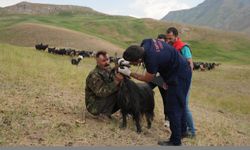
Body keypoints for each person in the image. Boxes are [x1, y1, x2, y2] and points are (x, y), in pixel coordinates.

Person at [118, 39, 192, 146]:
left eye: (134, 63)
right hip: (179, 68)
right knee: (180, 103)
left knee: (173, 107)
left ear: (139, 59)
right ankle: (183, 131)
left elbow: (147, 78)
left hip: (179, 76)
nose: (133, 64)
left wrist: (129, 72)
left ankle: (175, 141)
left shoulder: (151, 59)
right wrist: (127, 61)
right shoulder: (146, 42)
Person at [166, 27, 196, 137]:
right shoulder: (170, 48)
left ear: (177, 37)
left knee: (184, 105)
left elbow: (190, 65)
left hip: (184, 82)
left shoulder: (183, 47)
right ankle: (183, 131)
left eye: (170, 38)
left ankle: (192, 132)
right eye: (167, 38)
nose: (168, 40)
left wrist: (184, 81)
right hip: (175, 81)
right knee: (179, 105)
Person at [85, 51, 123, 119]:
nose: (107, 62)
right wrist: (116, 81)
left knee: (124, 90)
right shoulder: (94, 75)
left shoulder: (109, 69)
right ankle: (102, 114)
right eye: (103, 61)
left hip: (103, 101)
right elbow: (101, 93)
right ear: (97, 62)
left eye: (108, 59)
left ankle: (126, 112)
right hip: (94, 106)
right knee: (118, 93)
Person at [148, 33, 169, 127]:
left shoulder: (169, 51)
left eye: (162, 42)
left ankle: (167, 119)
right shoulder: (154, 51)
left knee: (166, 98)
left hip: (164, 78)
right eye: (158, 42)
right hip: (155, 76)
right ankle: (146, 112)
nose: (160, 44)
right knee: (145, 89)